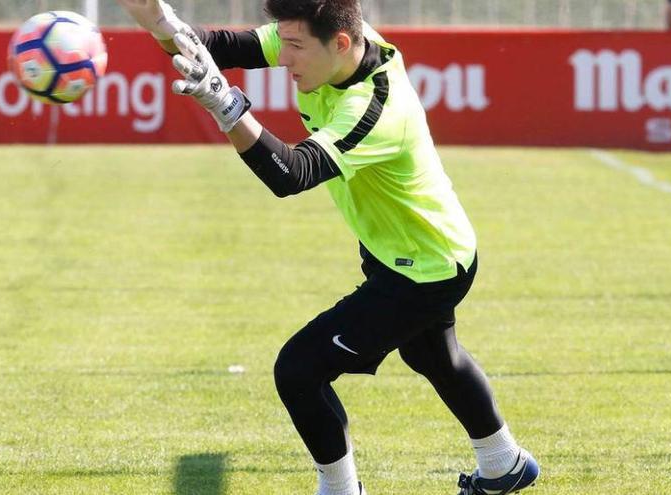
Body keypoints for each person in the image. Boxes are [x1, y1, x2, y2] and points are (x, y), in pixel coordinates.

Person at [115, 1, 539, 494]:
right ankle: (504, 463)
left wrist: (226, 106)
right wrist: (161, 23)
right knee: (432, 356)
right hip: (409, 250)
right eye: (284, 42)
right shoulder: (332, 38)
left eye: (295, 47)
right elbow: (220, 48)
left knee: (299, 371)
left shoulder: (375, 108)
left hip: (424, 270)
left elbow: (292, 175)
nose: (284, 59)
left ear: (340, 43)